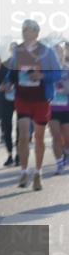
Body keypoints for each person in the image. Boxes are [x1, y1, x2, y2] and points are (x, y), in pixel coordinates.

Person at [6, 19, 62, 190]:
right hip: (22, 97)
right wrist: (8, 81)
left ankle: (37, 173)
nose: (25, 33)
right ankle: (24, 172)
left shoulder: (47, 52)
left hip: (41, 99)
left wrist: (42, 76)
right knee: (23, 135)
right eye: (23, 30)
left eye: (29, 30)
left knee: (39, 137)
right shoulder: (18, 51)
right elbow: (11, 72)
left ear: (36, 33)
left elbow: (57, 74)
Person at [51, 42, 68, 176]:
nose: (58, 54)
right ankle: (59, 164)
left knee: (67, 138)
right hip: (51, 108)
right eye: (56, 52)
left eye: (60, 52)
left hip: (66, 108)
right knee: (55, 136)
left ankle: (66, 152)